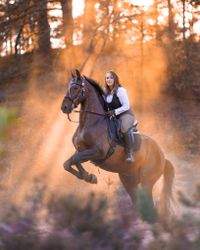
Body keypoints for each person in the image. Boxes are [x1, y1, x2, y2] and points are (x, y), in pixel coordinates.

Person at [103, 71, 137, 163]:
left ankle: (129, 153)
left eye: (111, 78)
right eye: (107, 78)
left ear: (115, 79)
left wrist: (114, 112)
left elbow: (126, 106)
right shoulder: (106, 92)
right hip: (114, 116)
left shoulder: (120, 90)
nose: (109, 80)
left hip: (126, 114)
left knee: (123, 127)